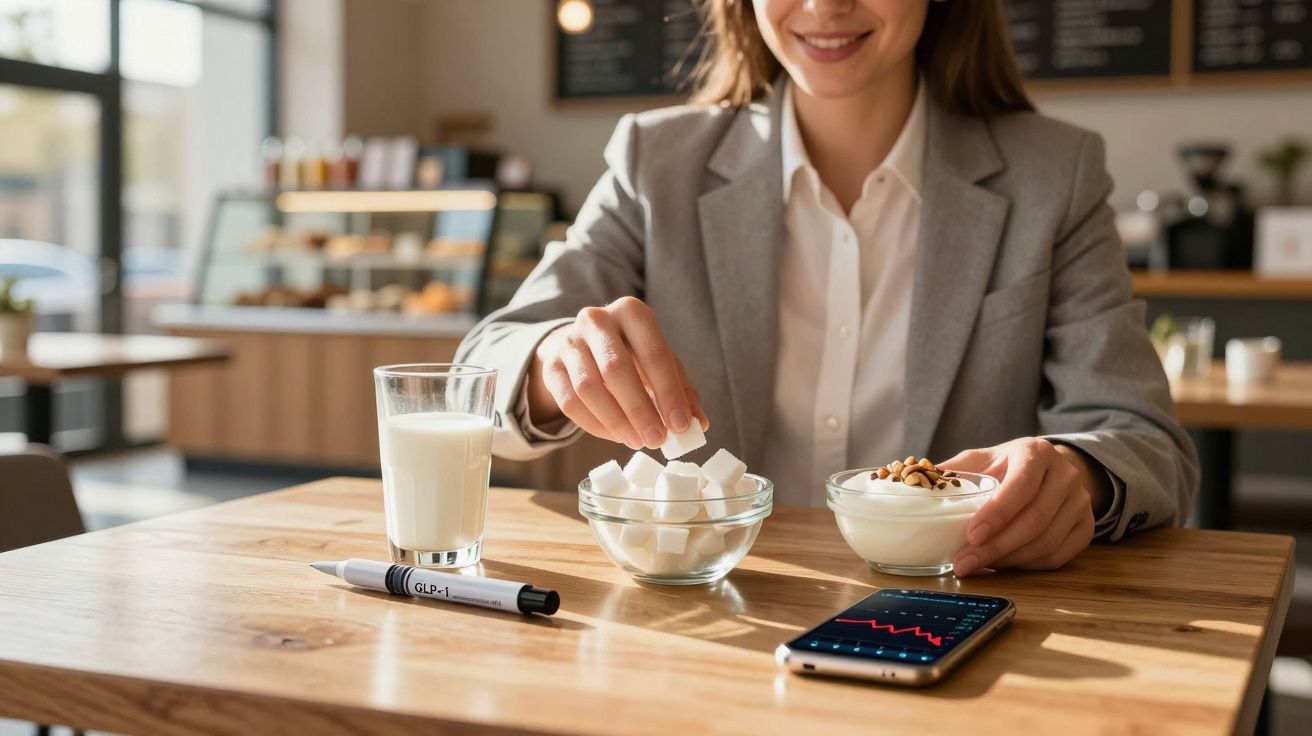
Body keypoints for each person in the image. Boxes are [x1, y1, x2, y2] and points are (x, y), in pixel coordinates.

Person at [456, 0, 1198, 576]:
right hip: (720, 617)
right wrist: (556, 359)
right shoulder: (657, 163)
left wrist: (1076, 473)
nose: (824, 4)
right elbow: (477, 372)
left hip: (955, 613)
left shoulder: (1054, 175)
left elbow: (1146, 442)